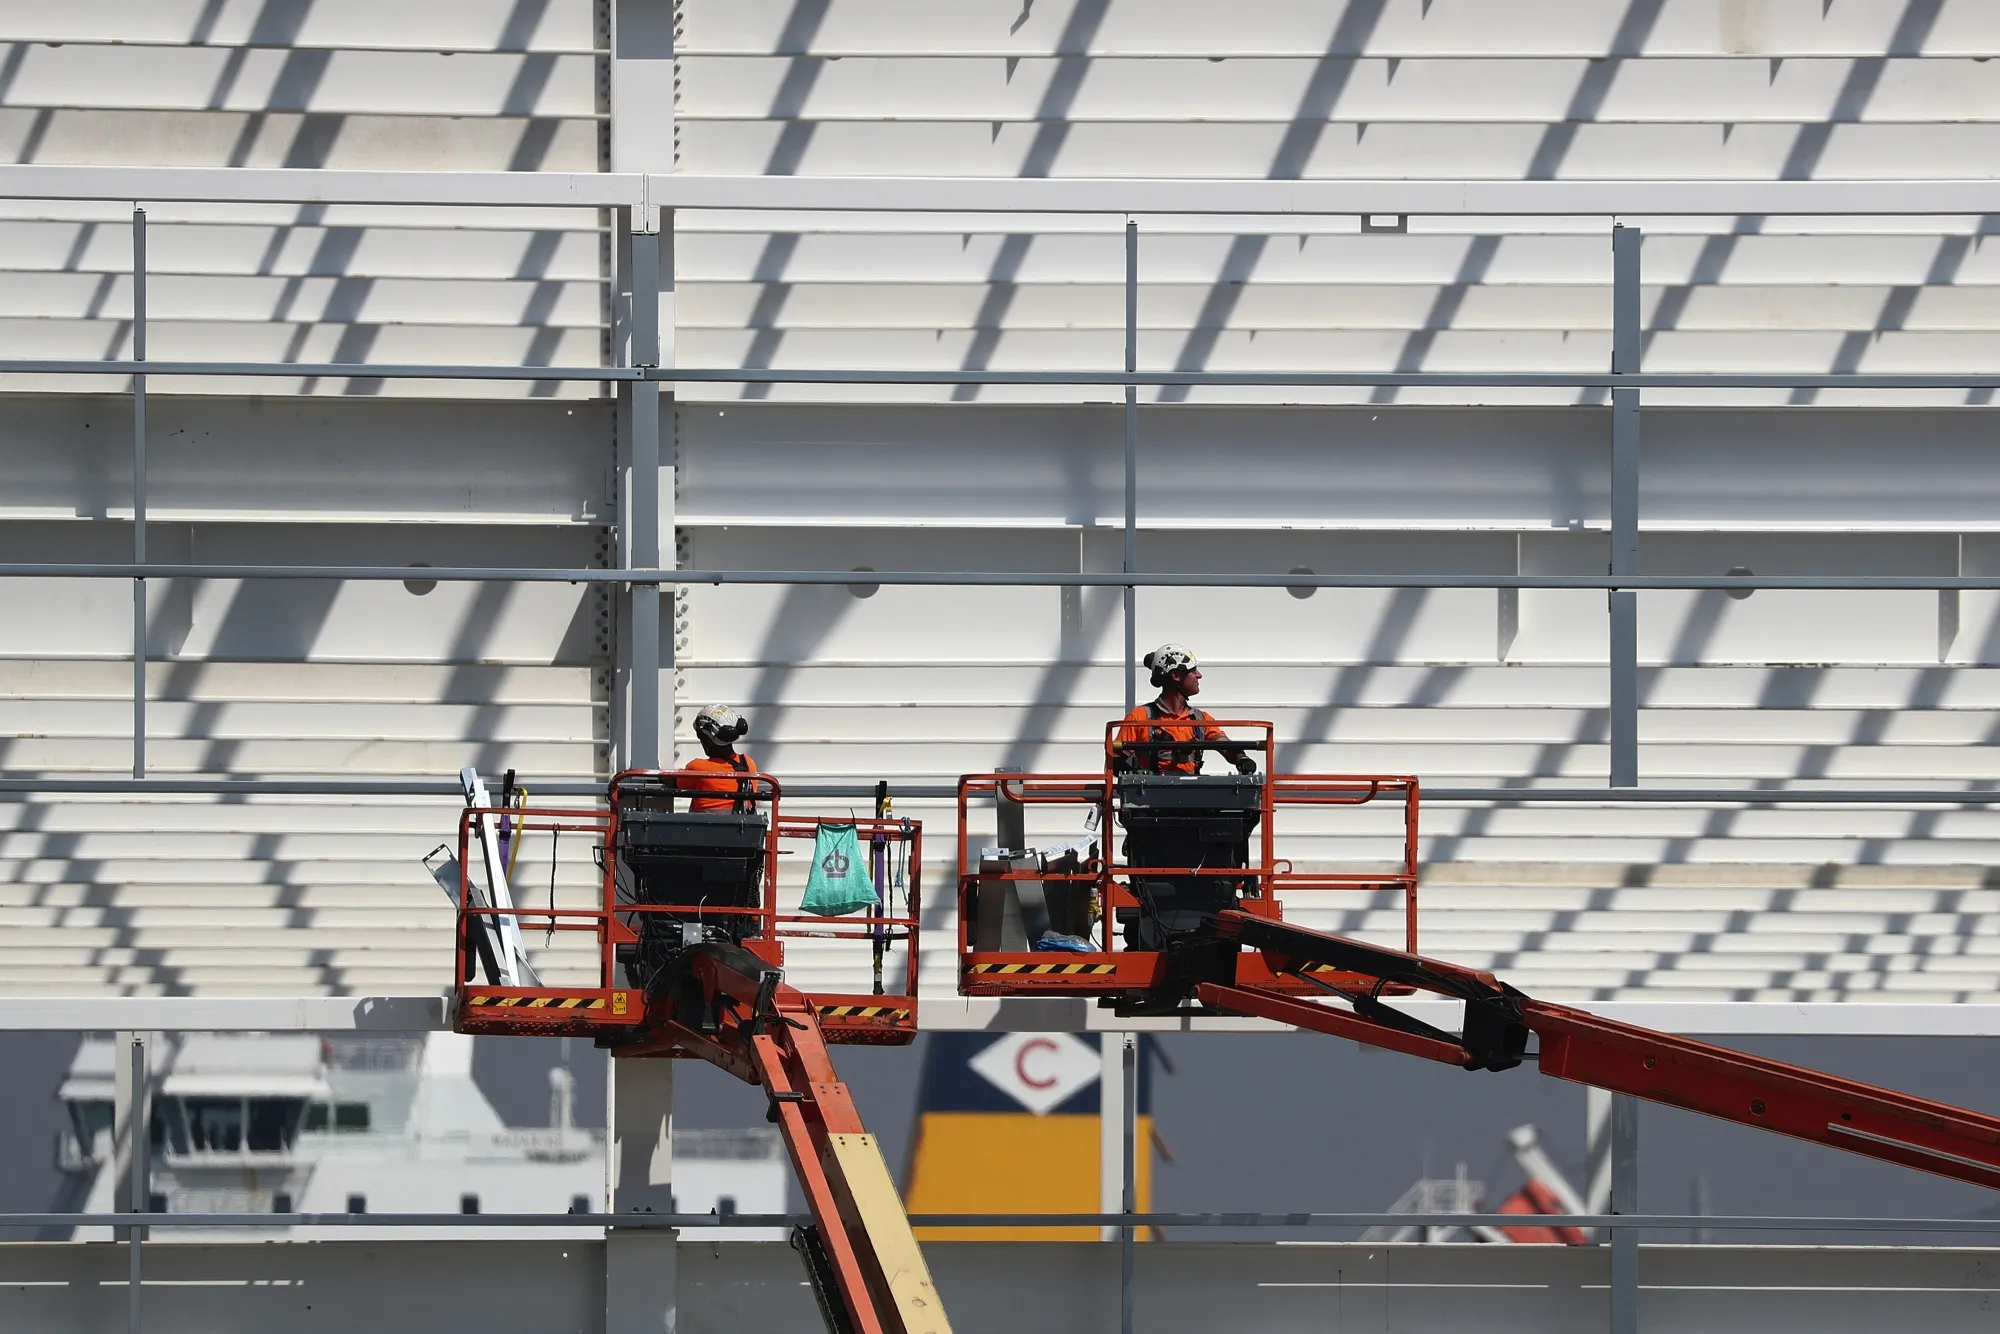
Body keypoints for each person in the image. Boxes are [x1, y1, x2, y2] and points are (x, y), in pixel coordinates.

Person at [1110, 644, 1257, 776]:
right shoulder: (1140, 717)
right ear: (1176, 675)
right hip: (1151, 799)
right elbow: (1116, 758)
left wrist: (1242, 759)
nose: (1199, 675)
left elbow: (1224, 745)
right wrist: (1131, 770)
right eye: (1193, 671)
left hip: (1190, 799)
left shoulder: (1201, 719)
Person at [682, 704, 759, 812]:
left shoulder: (698, 768)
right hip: (744, 828)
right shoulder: (749, 764)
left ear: (707, 738)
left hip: (702, 828)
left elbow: (672, 782)